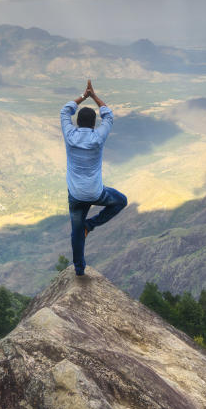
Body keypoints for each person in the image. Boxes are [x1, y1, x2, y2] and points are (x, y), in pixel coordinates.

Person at [60, 80, 128, 276]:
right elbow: (109, 115)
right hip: (96, 193)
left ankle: (79, 270)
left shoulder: (70, 136)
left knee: (76, 231)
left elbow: (65, 111)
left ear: (78, 122)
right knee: (121, 201)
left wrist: (83, 96)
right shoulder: (98, 137)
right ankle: (91, 224)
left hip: (75, 195)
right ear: (93, 123)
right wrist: (95, 96)